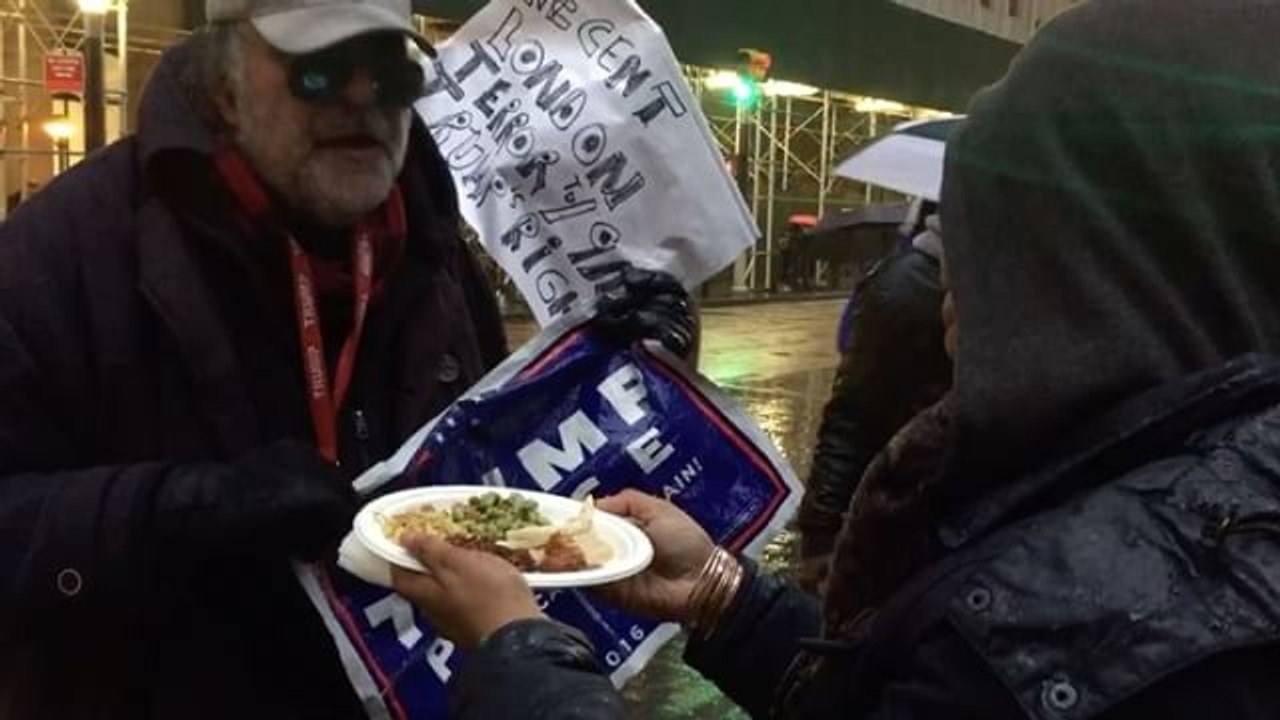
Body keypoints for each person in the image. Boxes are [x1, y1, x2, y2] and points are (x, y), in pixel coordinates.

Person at [392, 1, 1280, 718]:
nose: (949, 280)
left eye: (987, 232)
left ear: (1097, 263)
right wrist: (720, 595)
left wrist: (516, 655)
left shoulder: (1082, 620)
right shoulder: (1163, 502)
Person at [0, 0, 693, 717]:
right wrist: (182, 510)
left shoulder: (430, 245)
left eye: (391, 73)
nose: (364, 98)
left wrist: (609, 373)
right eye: (320, 71)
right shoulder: (64, 252)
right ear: (225, 85)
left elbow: (497, 486)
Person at [797, 217, 951, 593]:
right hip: (902, 530)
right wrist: (821, 534)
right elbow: (852, 417)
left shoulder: (1031, 288)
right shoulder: (907, 286)